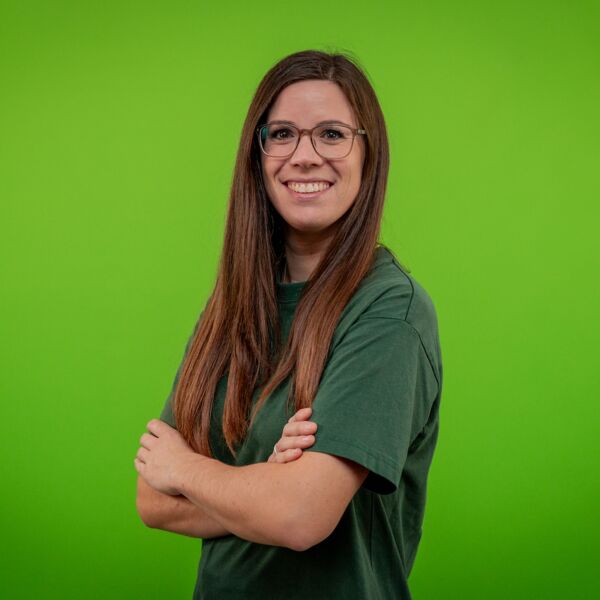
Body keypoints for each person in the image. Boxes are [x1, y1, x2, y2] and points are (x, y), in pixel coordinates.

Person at [134, 49, 443, 600]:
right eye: (282, 134)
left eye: (331, 134)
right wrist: (267, 484)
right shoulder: (229, 306)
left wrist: (187, 472)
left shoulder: (389, 312)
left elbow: (300, 518)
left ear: (368, 155)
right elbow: (152, 501)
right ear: (257, 156)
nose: (304, 156)